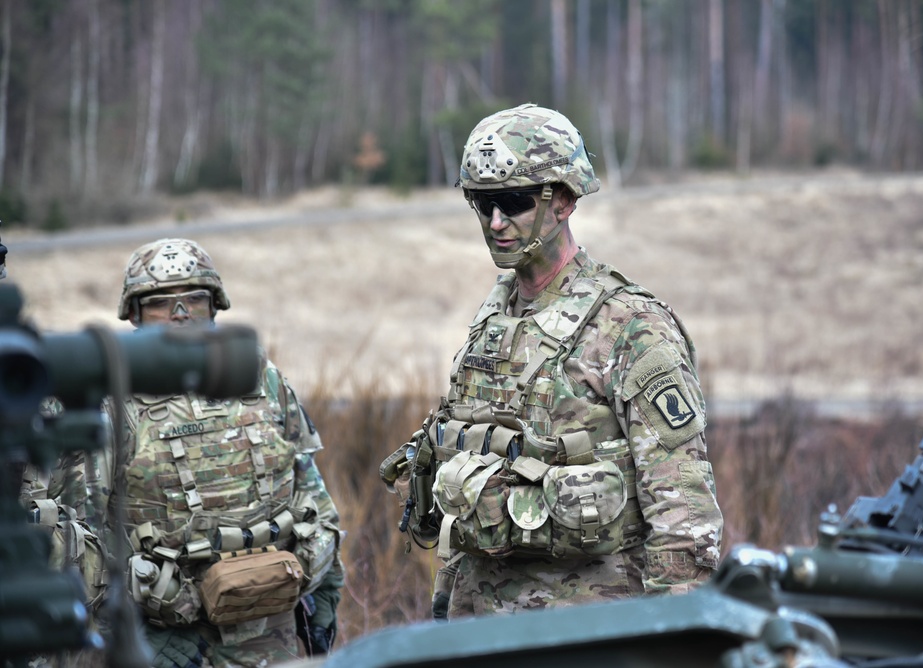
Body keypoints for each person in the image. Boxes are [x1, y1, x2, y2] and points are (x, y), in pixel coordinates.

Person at [383, 104, 723, 619]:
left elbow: (683, 512)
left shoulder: (630, 327)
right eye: (482, 203)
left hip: (587, 630)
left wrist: (676, 637)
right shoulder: (493, 320)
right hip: (479, 625)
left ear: (563, 200)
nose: (496, 223)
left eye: (515, 202)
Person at [100, 238, 344, 667]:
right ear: (135, 314)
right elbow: (85, 527)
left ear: (214, 305)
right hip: (166, 637)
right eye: (160, 302)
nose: (180, 314)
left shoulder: (260, 379)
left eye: (194, 298)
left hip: (270, 626)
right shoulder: (113, 400)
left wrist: (323, 598)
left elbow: (312, 493)